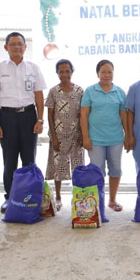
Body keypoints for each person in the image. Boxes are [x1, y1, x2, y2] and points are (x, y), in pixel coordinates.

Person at [0, 32, 46, 213]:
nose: (17, 47)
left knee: (29, 160)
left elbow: (39, 96)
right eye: (13, 44)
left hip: (29, 116)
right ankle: (10, 198)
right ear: (6, 48)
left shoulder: (33, 68)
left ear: (25, 47)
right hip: (7, 117)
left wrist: (40, 119)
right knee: (9, 160)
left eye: (20, 44)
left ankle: (28, 198)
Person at [80, 60, 129, 212]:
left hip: (116, 139)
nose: (106, 75)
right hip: (95, 140)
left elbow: (124, 116)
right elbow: (84, 115)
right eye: (103, 72)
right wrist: (85, 137)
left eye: (109, 72)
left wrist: (128, 135)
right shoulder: (90, 91)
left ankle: (112, 200)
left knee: (115, 169)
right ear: (98, 74)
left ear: (113, 73)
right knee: (97, 172)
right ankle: (97, 201)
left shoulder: (119, 92)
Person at [45, 59, 84, 211]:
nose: (64, 74)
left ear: (72, 72)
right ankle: (59, 197)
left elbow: (83, 114)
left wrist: (82, 134)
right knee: (58, 166)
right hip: (58, 136)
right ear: (57, 73)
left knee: (77, 167)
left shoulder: (80, 91)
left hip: (76, 135)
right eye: (61, 71)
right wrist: (53, 137)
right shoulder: (53, 91)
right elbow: (50, 115)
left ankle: (79, 196)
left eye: (67, 71)